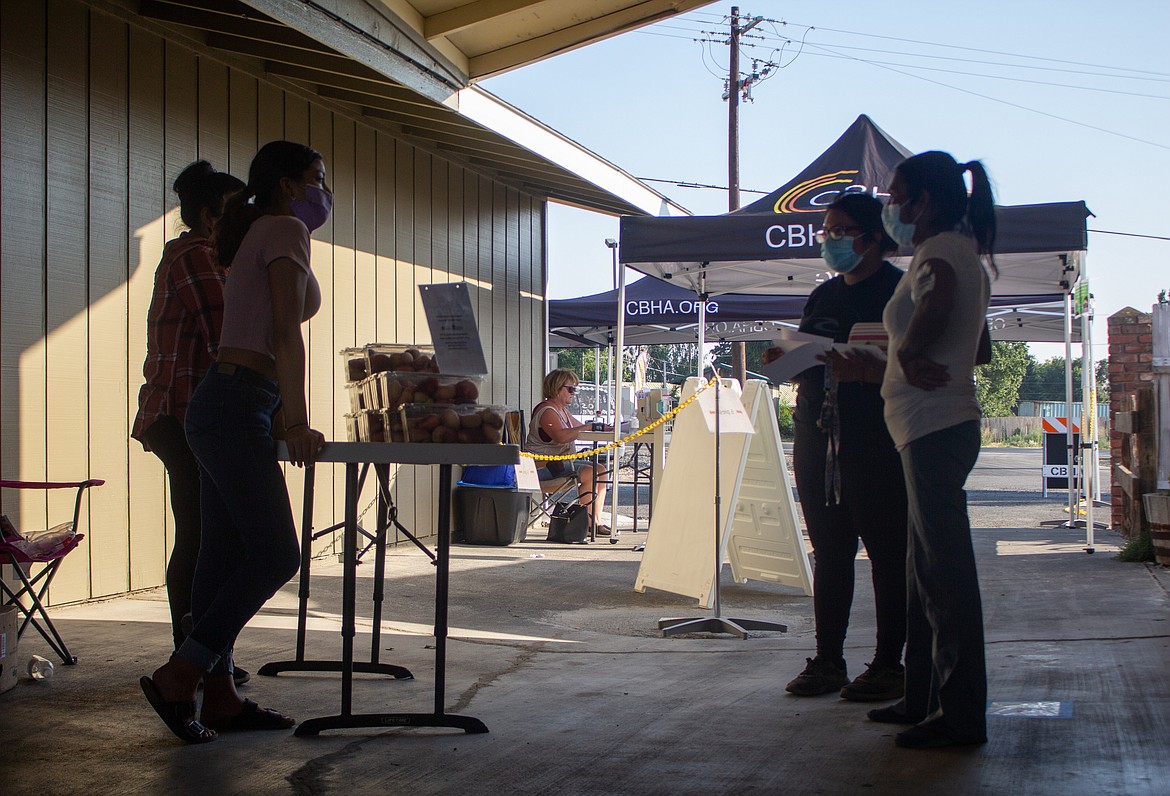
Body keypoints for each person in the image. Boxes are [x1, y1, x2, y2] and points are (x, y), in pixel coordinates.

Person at [139, 141, 329, 744]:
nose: (325, 191)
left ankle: (215, 696)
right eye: (317, 179)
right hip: (236, 401)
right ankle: (182, 672)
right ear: (288, 185)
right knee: (276, 554)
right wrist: (296, 419)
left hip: (228, 403)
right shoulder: (282, 229)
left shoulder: (256, 232)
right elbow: (281, 333)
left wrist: (277, 412)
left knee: (218, 560)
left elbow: (261, 322)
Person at [867, 150, 996, 749]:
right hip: (931, 427)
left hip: (934, 431)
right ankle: (922, 696)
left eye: (896, 197)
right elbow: (982, 347)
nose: (890, 207)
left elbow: (940, 301)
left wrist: (914, 352)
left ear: (924, 201)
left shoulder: (941, 253)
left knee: (944, 576)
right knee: (926, 573)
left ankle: (961, 713)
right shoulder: (956, 251)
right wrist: (900, 361)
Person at [763, 194, 909, 702]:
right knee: (830, 550)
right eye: (826, 231)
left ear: (873, 237)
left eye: (840, 231)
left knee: (888, 553)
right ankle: (828, 661)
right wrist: (782, 359)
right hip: (817, 432)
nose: (829, 240)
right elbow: (806, 360)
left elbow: (920, 364)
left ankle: (890, 664)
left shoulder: (899, 291)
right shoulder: (823, 297)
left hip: (878, 437)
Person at [131, 161, 252, 686]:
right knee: (204, 535)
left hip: (189, 417)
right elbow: (227, 334)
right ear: (209, 215)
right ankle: (192, 656)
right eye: (235, 213)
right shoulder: (196, 254)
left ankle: (202, 654)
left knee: (211, 535)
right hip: (180, 417)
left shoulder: (207, 256)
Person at [527, 369, 610, 533]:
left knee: (600, 470)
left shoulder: (561, 410)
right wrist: (588, 426)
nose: (574, 393)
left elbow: (579, 429)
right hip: (542, 466)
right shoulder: (547, 411)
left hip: (558, 463)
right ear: (557, 388)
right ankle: (587, 522)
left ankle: (595, 520)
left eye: (575, 389)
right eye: (571, 389)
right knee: (590, 472)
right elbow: (561, 436)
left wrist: (603, 428)